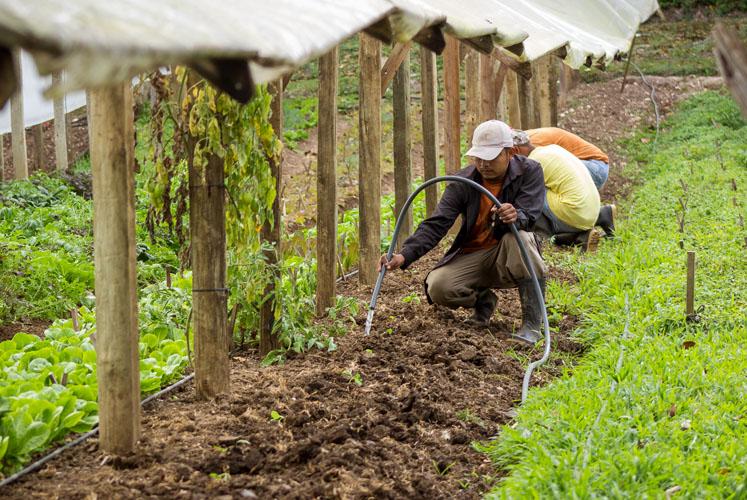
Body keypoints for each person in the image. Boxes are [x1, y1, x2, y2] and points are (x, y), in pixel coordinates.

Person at [378, 120, 547, 344]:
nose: (483, 164)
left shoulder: (529, 171)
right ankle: (483, 302)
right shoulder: (464, 181)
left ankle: (533, 325)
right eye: (479, 158)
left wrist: (516, 216)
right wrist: (404, 254)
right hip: (475, 253)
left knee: (520, 237)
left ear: (510, 152)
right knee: (439, 287)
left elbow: (531, 214)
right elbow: (437, 223)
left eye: (491, 157)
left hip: (510, 253)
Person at [512, 131, 603, 251]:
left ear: (516, 150)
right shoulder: (552, 148)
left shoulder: (533, 162)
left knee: (526, 192)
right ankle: (579, 236)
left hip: (575, 213)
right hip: (591, 214)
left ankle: (541, 235)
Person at [525, 127, 616, 236]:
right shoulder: (527, 138)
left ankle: (559, 230)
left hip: (595, 167)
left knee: (532, 189)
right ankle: (599, 216)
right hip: (595, 165)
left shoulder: (534, 146)